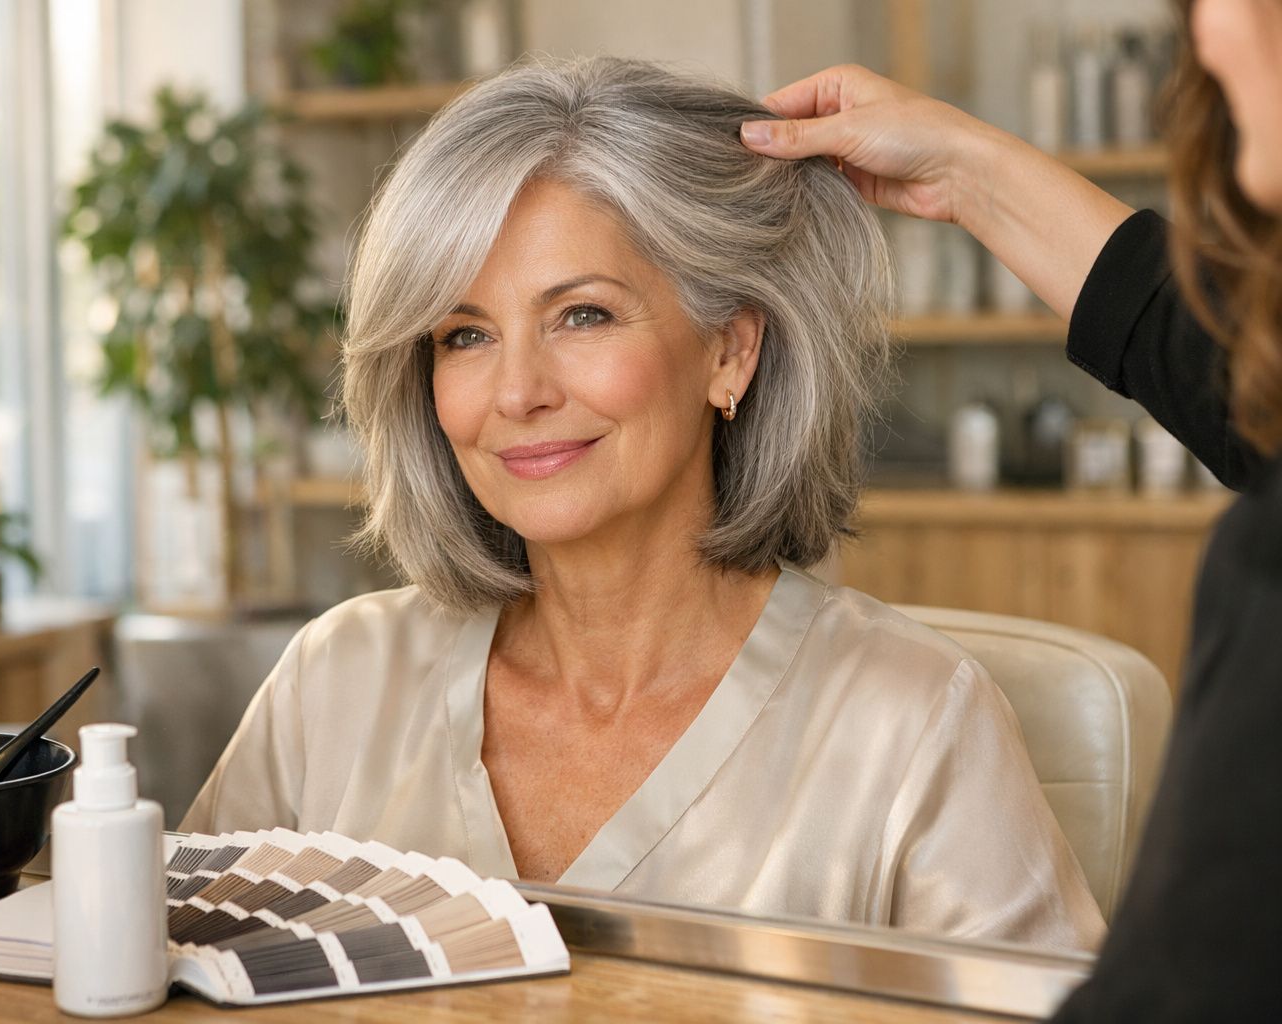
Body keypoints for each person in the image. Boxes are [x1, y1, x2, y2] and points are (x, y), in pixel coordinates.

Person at [182, 56, 1103, 950]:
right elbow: (170, 982)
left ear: (729, 351)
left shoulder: (914, 720)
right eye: (464, 334)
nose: (517, 393)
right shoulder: (334, 683)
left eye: (583, 314)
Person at [737, 1, 1282, 1018]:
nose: (1210, 41)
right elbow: (1238, 385)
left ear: (732, 349)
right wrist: (961, 165)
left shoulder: (915, 710)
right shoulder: (353, 667)